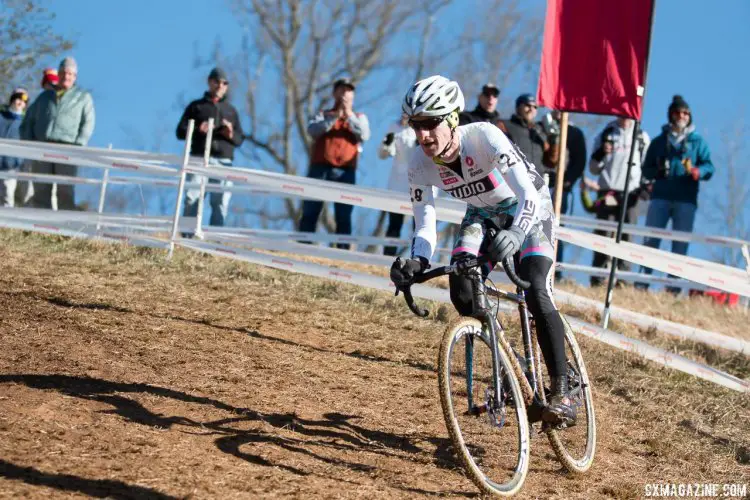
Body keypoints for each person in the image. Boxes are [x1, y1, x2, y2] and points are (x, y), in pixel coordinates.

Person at [390, 75, 575, 426]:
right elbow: (425, 226)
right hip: (482, 216)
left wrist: (519, 231)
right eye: (417, 126)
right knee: (461, 288)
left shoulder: (485, 137)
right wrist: (416, 261)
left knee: (535, 288)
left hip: (529, 209)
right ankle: (512, 365)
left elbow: (527, 195)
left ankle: (562, 391)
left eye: (430, 124)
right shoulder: (419, 164)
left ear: (452, 120)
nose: (423, 135)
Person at [636, 95, 714, 293]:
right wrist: (658, 172)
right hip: (660, 196)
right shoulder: (659, 141)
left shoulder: (698, 142)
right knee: (650, 241)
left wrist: (698, 172)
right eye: (678, 112)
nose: (682, 116)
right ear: (671, 115)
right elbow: (646, 169)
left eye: (686, 113)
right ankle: (641, 284)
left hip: (685, 199)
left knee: (680, 246)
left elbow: (709, 167)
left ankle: (673, 289)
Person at [298, 78, 370, 249]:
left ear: (353, 95)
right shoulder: (323, 114)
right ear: (335, 93)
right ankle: (302, 248)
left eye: (349, 90)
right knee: (310, 210)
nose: (345, 94)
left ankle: (342, 253)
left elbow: (365, 135)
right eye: (342, 90)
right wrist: (334, 118)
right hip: (320, 169)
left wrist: (349, 116)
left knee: (344, 215)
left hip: (346, 172)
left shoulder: (360, 117)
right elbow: (312, 130)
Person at [20, 57, 95, 210]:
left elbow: (88, 123)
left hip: (67, 149)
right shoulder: (44, 97)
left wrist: (78, 145)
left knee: (65, 190)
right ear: (58, 74)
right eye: (63, 72)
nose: (66, 77)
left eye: (69, 74)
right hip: (42, 148)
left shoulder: (83, 97)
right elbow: (28, 121)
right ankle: (41, 227)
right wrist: (29, 144)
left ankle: (64, 228)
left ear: (74, 77)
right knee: (41, 188)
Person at [176, 67, 244, 232]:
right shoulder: (196, 107)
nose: (220, 86)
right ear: (209, 82)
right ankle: (187, 237)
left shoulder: (231, 111)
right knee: (192, 197)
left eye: (224, 83)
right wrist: (198, 128)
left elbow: (240, 139)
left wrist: (230, 133)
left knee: (220, 201)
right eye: (217, 82)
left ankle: (215, 241)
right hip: (199, 158)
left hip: (224, 162)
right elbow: (180, 131)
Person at [587, 117, 650, 286]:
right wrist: (601, 152)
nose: (624, 116)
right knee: (603, 234)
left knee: (627, 236)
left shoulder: (641, 136)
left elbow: (647, 166)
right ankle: (597, 277)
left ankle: (622, 280)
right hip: (607, 189)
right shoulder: (605, 134)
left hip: (631, 193)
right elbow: (593, 168)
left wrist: (644, 187)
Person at [539, 110, 586, 277]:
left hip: (561, 188)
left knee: (556, 228)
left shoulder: (574, 133)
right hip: (540, 182)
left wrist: (567, 181)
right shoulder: (542, 127)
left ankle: (555, 271)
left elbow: (579, 161)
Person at [378, 113, 417, 256]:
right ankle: (387, 259)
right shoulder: (394, 127)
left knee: (419, 227)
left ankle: (418, 260)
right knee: (394, 225)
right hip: (397, 185)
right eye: (404, 110)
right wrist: (387, 145)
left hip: (420, 185)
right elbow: (383, 154)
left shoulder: (422, 128)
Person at [498, 94, 548, 179]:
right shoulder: (504, 125)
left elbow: (550, 161)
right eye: (528, 105)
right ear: (518, 107)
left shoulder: (541, 131)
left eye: (535, 107)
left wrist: (555, 141)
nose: (531, 109)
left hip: (538, 182)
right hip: (514, 180)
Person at [0, 88, 28, 207]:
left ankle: (5, 223)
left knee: (7, 194)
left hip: (11, 165)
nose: (20, 102)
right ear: (12, 100)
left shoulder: (25, 122)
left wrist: (19, 161)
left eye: (24, 101)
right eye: (18, 99)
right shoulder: (2, 117)